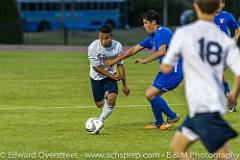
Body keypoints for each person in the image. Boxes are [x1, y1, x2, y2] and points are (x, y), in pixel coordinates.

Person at [161, 0, 240, 159]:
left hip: (204, 105)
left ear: (196, 6)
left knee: (224, 156)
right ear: (217, 7)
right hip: (202, 105)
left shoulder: (184, 33)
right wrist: (233, 95)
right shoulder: (225, 40)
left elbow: (166, 67)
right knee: (178, 146)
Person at [104, 10, 182, 130]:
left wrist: (145, 60)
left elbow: (162, 51)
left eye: (146, 23)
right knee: (152, 95)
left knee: (150, 94)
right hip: (166, 70)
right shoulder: (152, 37)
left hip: (175, 70)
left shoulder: (162, 32)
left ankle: (172, 116)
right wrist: (114, 61)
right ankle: (159, 123)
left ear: (154, 22)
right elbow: (133, 49)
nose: (144, 25)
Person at [88, 25, 130, 123]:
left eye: (106, 38)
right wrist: (112, 76)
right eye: (101, 38)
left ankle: (100, 121)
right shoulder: (93, 47)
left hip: (111, 76)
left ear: (111, 36)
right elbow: (96, 67)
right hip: (96, 77)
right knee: (99, 104)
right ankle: (105, 98)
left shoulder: (118, 46)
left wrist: (125, 85)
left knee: (112, 99)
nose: (103, 41)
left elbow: (120, 65)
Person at [214, 0, 240, 112]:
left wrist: (234, 40)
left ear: (223, 4)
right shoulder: (207, 17)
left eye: (221, 2)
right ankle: (231, 99)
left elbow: (238, 30)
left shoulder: (228, 16)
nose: (219, 4)